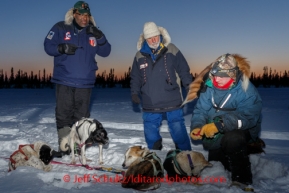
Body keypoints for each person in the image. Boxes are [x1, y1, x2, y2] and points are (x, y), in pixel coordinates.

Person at [44, 1, 111, 151]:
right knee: (63, 113)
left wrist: (100, 37)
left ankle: (78, 145)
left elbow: (106, 52)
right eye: (80, 14)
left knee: (82, 117)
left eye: (86, 15)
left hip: (85, 82)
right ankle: (65, 144)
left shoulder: (93, 32)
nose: (84, 18)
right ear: (74, 14)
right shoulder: (61, 27)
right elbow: (47, 46)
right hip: (64, 79)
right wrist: (61, 48)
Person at [190, 53, 262, 186]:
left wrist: (219, 125)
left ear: (233, 75)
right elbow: (200, 111)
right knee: (217, 165)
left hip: (240, 129)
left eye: (224, 76)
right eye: (216, 75)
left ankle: (242, 180)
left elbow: (249, 117)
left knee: (233, 138)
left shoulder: (246, 90)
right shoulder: (208, 87)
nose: (218, 79)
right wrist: (197, 126)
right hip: (216, 128)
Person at [130, 22, 192, 151]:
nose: (153, 40)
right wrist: (134, 92)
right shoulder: (139, 56)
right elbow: (135, 77)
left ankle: (185, 155)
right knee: (150, 133)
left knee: (178, 129)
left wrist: (189, 85)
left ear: (160, 35)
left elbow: (183, 69)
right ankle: (155, 154)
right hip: (150, 101)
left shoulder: (172, 49)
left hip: (172, 98)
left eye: (156, 37)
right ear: (145, 39)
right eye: (150, 38)